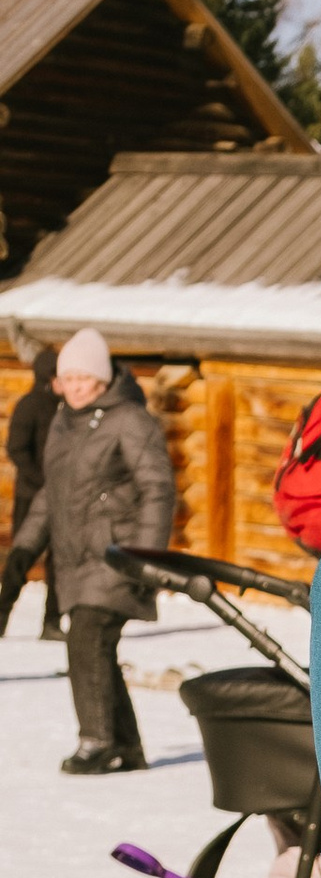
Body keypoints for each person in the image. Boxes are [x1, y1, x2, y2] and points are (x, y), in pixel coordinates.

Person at [5, 325, 174, 772]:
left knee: (87, 639)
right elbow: (52, 493)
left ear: (102, 379)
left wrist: (144, 560)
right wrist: (23, 550)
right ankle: (128, 747)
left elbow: (158, 489)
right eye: (69, 378)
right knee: (96, 646)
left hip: (116, 556)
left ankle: (97, 742)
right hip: (73, 560)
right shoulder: (64, 420)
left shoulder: (130, 420)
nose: (76, 387)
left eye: (85, 378)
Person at [0, 343, 59, 639]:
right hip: (30, 495)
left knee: (60, 561)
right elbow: (17, 450)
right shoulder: (29, 406)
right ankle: (1, 617)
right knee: (20, 561)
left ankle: (52, 624)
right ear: (48, 376)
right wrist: (41, 482)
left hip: (60, 500)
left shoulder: (68, 409)